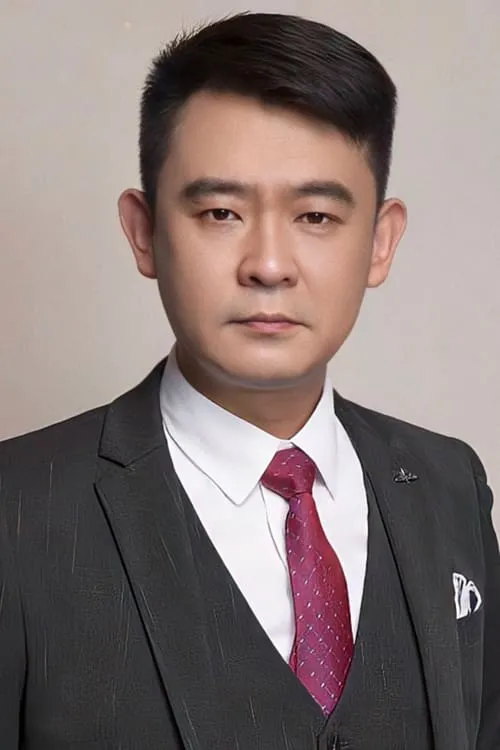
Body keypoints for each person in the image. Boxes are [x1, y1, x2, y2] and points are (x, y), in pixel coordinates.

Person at [0, 11, 498, 750]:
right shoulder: (17, 510)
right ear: (144, 232)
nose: (268, 265)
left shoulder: (449, 483)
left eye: (316, 216)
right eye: (221, 212)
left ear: (380, 242)